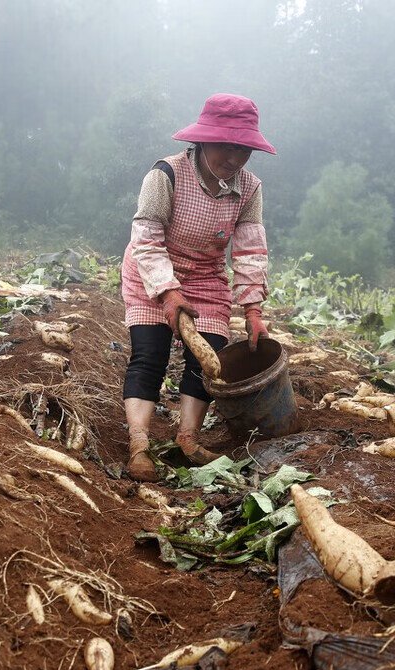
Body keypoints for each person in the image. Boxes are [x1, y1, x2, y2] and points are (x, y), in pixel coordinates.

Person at [120, 93, 275, 482]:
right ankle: (139, 444)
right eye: (227, 146)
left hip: (206, 277)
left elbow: (250, 250)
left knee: (209, 360)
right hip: (152, 270)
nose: (235, 158)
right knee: (149, 354)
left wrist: (253, 311)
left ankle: (188, 438)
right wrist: (168, 292)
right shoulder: (165, 174)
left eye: (244, 150)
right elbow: (147, 238)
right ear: (204, 139)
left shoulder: (250, 189)